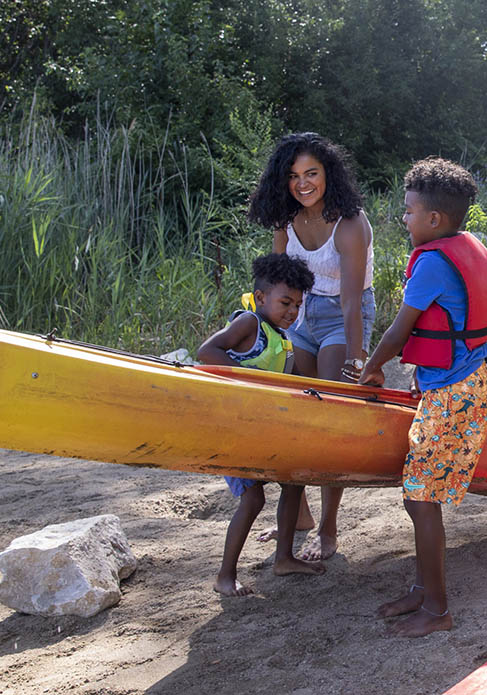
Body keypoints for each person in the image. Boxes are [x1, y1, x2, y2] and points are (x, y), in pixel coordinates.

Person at [359, 157, 487, 638]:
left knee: (422, 499)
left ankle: (438, 608)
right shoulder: (461, 248)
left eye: (408, 211)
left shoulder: (434, 265)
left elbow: (400, 331)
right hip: (460, 385)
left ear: (434, 219)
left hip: (455, 394)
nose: (404, 218)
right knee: (419, 495)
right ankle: (423, 590)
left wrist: (372, 368)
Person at [247, 132, 376, 560]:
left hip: (344, 316)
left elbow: (351, 300)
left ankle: (328, 527)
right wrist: (263, 335)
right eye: (294, 176)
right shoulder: (286, 221)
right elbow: (276, 283)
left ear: (328, 174)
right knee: (294, 410)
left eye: (312, 174)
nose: (303, 183)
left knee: (328, 416)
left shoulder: (351, 222)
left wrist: (357, 359)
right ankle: (297, 516)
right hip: (299, 315)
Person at [197, 253, 325, 596]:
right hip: (234, 431)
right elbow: (207, 351)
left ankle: (284, 558)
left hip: (263, 430)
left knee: (294, 483)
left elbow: (297, 382)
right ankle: (225, 575)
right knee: (253, 501)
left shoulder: (283, 341)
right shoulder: (249, 324)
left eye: (298, 304)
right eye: (285, 302)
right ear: (260, 298)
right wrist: (249, 383)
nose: (292, 311)